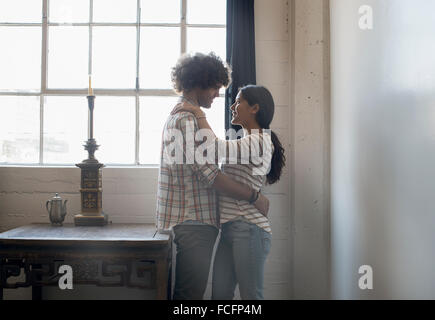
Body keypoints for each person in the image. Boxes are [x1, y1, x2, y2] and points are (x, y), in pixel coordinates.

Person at [156, 52, 270, 300]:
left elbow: (215, 154)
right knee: (190, 295)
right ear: (200, 83)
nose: (218, 95)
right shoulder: (187, 119)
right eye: (215, 88)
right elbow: (212, 176)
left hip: (197, 222)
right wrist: (254, 196)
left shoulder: (187, 116)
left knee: (191, 293)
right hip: (195, 221)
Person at [172, 84, 285, 300]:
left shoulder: (261, 140)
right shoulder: (245, 141)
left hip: (249, 228)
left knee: (251, 297)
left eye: (239, 101)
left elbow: (214, 147)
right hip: (230, 229)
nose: (233, 106)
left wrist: (197, 112)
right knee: (220, 296)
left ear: (254, 108)